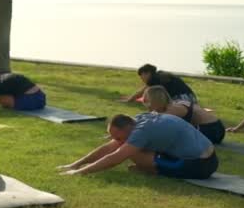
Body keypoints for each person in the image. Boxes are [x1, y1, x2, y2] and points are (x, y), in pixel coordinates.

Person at [57, 113, 217, 179]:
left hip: (200, 165)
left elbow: (114, 158)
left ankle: (153, 169)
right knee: (126, 148)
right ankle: (151, 166)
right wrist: (75, 164)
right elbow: (110, 147)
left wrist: (78, 172)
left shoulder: (142, 131)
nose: (116, 140)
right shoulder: (140, 120)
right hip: (207, 156)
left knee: (130, 153)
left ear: (127, 128)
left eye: (118, 136)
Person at [143, 86, 225, 144]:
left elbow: (155, 125)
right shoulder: (172, 104)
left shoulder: (172, 109)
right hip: (216, 127)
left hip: (212, 130)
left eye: (148, 102)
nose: (147, 106)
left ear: (156, 101)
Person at [121, 64, 197, 103]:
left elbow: (143, 92)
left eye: (142, 76)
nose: (142, 80)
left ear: (147, 73)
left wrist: (129, 100)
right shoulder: (160, 75)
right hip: (191, 97)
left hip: (183, 99)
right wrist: (131, 98)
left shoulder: (154, 78)